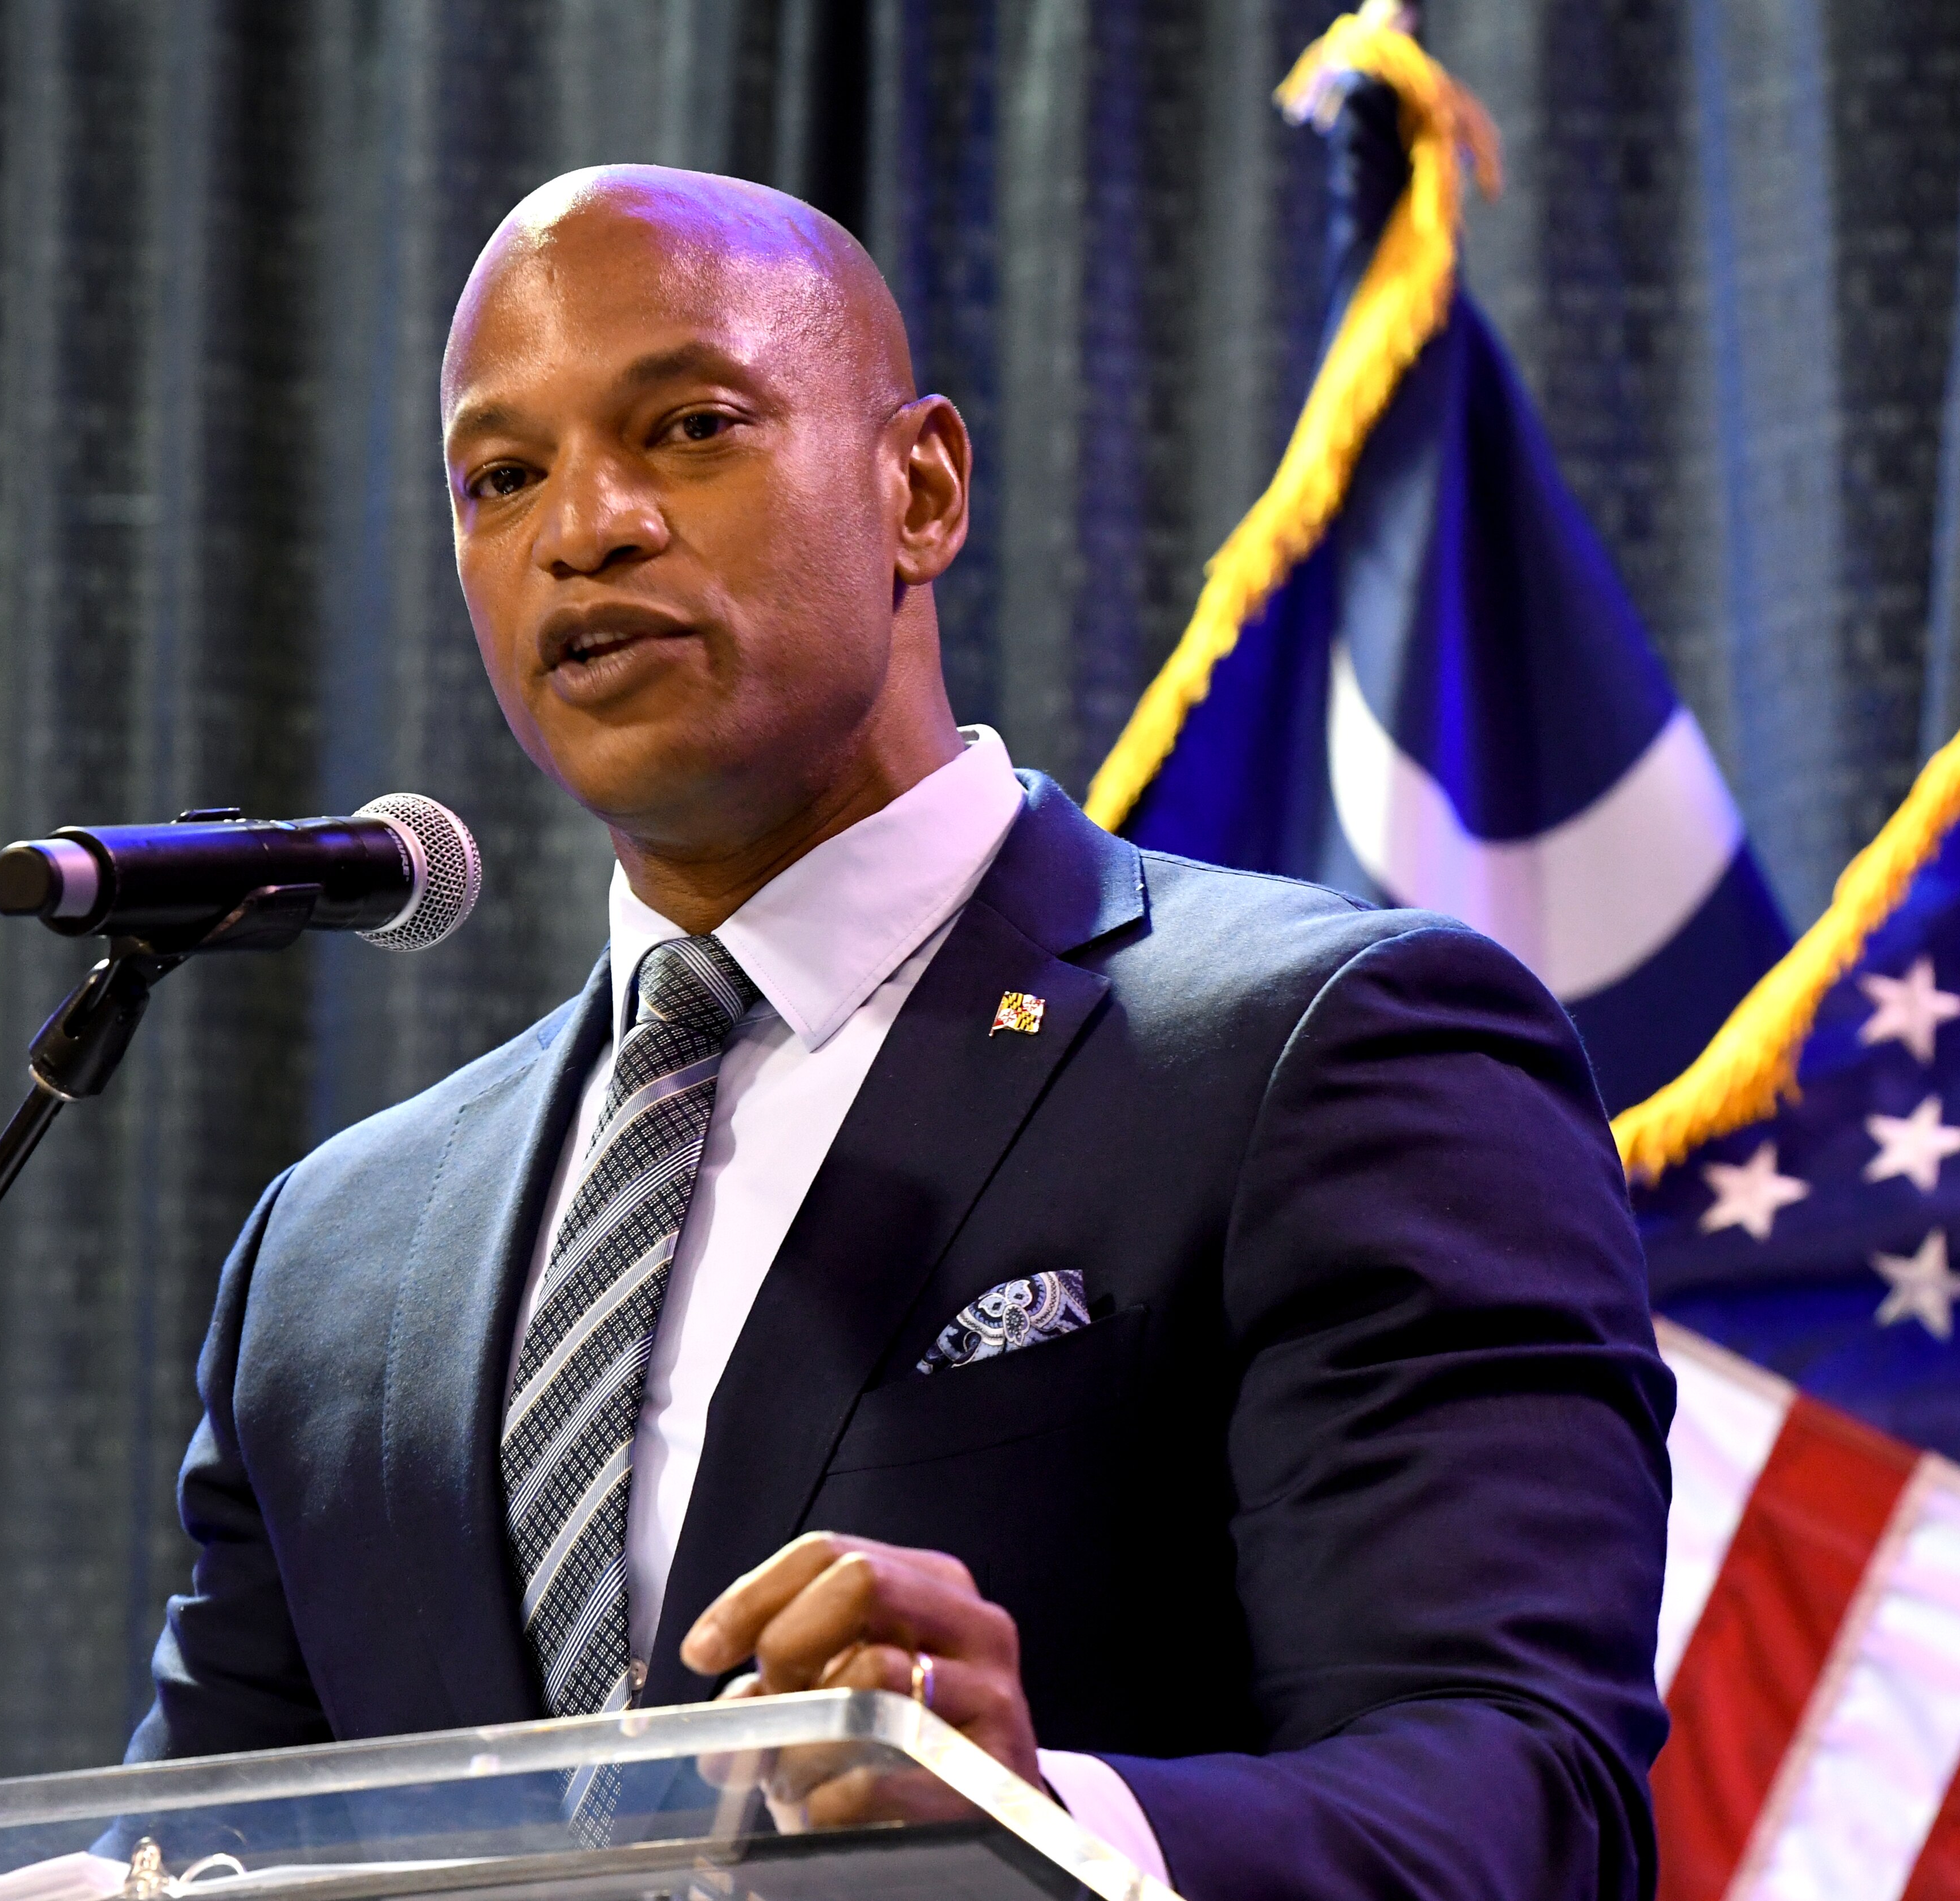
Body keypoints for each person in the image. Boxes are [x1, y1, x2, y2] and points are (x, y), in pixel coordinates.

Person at [127, 164, 1673, 1901]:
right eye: (504, 476)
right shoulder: (337, 1255)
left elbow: (1522, 1809)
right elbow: (195, 1859)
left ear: (919, 488)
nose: (588, 526)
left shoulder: (1324, 1051)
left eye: (692, 426)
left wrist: (1034, 1824)